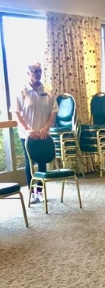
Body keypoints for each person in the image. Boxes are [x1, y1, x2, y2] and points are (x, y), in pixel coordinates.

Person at [11, 63, 53, 204]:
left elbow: (53, 111)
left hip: (43, 133)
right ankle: (31, 191)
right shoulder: (22, 91)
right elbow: (16, 113)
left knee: (42, 161)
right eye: (35, 71)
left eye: (40, 71)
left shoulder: (47, 90)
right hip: (27, 134)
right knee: (30, 161)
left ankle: (39, 191)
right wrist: (27, 129)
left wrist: (46, 127)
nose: (38, 74)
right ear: (28, 73)